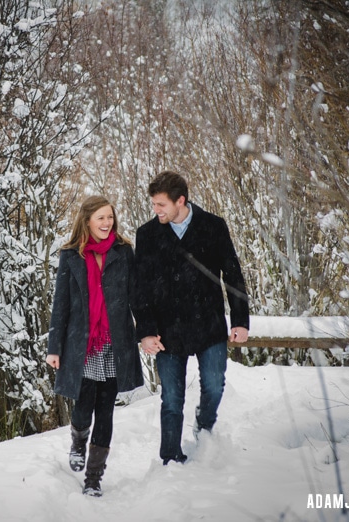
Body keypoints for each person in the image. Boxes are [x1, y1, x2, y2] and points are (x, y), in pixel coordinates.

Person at [133, 171, 249, 465]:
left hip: (208, 324)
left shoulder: (213, 226)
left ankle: (204, 427)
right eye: (154, 204)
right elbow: (140, 287)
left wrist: (240, 321)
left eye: (161, 204)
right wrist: (146, 331)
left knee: (214, 384)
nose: (156, 210)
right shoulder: (147, 234)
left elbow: (232, 274)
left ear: (180, 200)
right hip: (166, 332)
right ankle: (170, 458)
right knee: (171, 399)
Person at [46, 195, 144, 496]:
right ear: (87, 220)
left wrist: (148, 331)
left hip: (115, 343)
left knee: (106, 410)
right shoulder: (71, 255)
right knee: (83, 403)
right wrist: (54, 347)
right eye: (100, 218)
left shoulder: (123, 252)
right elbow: (60, 304)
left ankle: (93, 478)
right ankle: (77, 441)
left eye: (110, 217)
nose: (106, 223)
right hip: (82, 343)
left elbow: (137, 297)